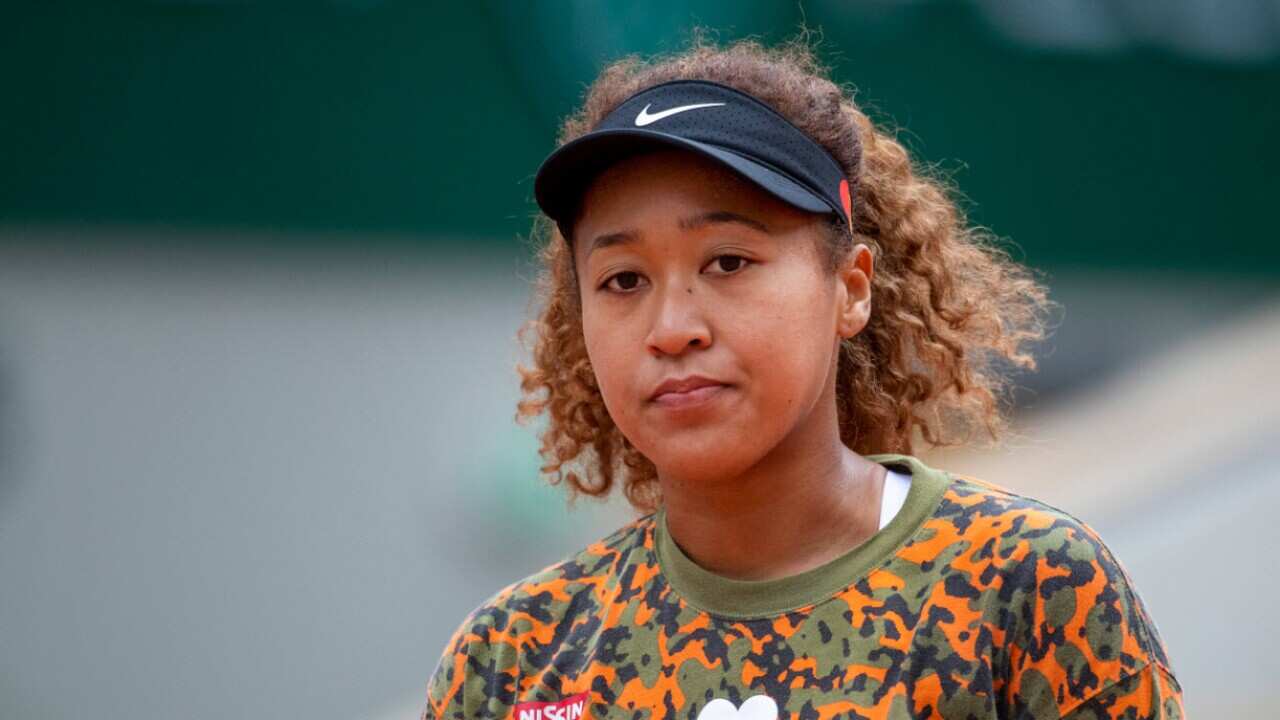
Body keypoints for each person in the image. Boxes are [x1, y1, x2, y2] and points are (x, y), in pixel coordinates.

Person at [421, 38, 1183, 720]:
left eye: (728, 262)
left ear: (850, 289)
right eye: (623, 280)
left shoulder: (1028, 585)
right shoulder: (515, 660)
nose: (671, 327)